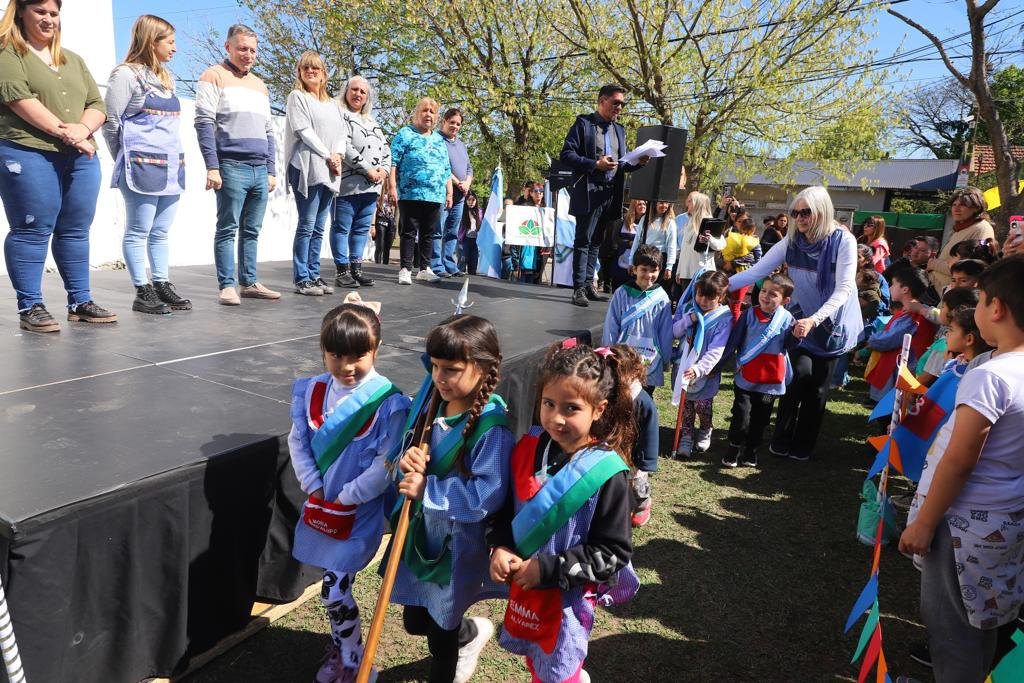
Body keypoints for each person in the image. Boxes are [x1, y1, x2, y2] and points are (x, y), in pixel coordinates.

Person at [899, 255, 1024, 683]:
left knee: (950, 627)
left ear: (996, 309)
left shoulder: (993, 375)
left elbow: (960, 458)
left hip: (961, 529)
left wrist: (922, 523)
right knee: (982, 623)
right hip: (1006, 525)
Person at [489, 341, 637, 683]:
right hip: (526, 590)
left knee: (556, 669)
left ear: (598, 410)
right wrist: (500, 546)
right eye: (548, 403)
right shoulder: (528, 447)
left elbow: (613, 552)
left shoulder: (608, 473)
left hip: (567, 599)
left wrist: (548, 568)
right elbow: (504, 512)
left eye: (571, 408)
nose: (556, 417)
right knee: (535, 659)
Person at [287, 295, 410, 683]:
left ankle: (355, 659)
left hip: (358, 511)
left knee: (334, 590)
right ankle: (345, 648)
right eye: (336, 355)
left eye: (358, 355)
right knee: (333, 587)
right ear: (323, 352)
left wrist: (347, 496)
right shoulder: (313, 391)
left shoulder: (387, 402)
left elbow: (385, 463)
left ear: (376, 350)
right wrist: (312, 483)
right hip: (323, 506)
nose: (347, 366)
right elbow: (298, 441)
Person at [391, 314, 514, 683]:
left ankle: (453, 653)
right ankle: (472, 634)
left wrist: (426, 489)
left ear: (482, 368)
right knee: (415, 620)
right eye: (435, 367)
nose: (439, 377)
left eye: (451, 369)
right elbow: (407, 457)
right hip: (423, 535)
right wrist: (407, 461)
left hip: (456, 547)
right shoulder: (434, 404)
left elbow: (486, 496)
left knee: (440, 636)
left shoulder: (491, 427)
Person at [0, 0, 117, 332]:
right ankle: (30, 306)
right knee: (31, 228)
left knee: (76, 230)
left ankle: (79, 301)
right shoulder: (7, 51)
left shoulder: (73, 59)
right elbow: (17, 97)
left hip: (81, 156)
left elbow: (97, 103)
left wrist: (82, 130)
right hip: (27, 151)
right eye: (40, 11)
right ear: (20, 12)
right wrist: (68, 133)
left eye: (53, 13)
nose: (48, 19)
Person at [726, 186, 863, 461]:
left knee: (818, 389)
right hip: (801, 319)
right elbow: (758, 271)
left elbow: (845, 288)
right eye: (795, 212)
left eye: (806, 212)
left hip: (831, 322)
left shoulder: (842, 241)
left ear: (822, 212)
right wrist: (718, 287)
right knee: (796, 375)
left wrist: (816, 319)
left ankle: (804, 444)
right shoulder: (791, 241)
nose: (800, 217)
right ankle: (781, 437)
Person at [103, 14, 191, 315]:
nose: (175, 49)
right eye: (170, 42)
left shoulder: (167, 79)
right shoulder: (125, 75)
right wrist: (124, 158)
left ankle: (161, 284)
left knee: (161, 231)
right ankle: (142, 290)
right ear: (151, 41)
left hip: (169, 166)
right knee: (138, 230)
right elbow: (111, 121)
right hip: (140, 165)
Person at [195, 23, 279, 305]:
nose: (248, 54)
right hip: (230, 164)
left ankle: (250, 281)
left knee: (252, 230)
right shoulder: (213, 76)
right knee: (228, 227)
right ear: (228, 47)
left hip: (259, 168)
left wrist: (271, 169)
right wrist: (212, 166)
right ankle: (227, 285)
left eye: (253, 50)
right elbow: (204, 123)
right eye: (242, 48)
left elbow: (269, 131)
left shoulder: (260, 85)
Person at [560, 84, 646, 308]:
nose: (619, 107)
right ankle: (578, 287)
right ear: (601, 101)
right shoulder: (584, 124)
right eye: (616, 102)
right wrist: (594, 164)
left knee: (597, 241)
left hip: (610, 194)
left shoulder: (619, 130)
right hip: (588, 192)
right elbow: (567, 154)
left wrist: (638, 163)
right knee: (583, 240)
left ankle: (589, 284)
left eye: (622, 104)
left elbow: (621, 166)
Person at [284, 50, 345, 297]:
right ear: (300, 72)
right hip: (308, 166)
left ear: (324, 74)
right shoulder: (297, 97)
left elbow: (341, 133)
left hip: (329, 170)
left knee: (320, 226)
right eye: (305, 68)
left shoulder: (333, 104)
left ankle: (314, 273)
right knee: (307, 224)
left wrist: (338, 154)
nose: (310, 72)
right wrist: (327, 154)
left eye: (315, 68)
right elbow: (303, 130)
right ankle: (302, 277)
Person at [721, 273, 796, 468]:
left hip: (770, 382)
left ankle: (751, 450)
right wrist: (719, 364)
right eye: (763, 291)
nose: (766, 296)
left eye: (773, 294)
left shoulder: (788, 319)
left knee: (761, 418)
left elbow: (789, 345)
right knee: (741, 414)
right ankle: (734, 445)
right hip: (746, 376)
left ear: (785, 300)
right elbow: (734, 340)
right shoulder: (749, 314)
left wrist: (797, 336)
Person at [332, 75, 390, 289]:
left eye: (362, 91)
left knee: (361, 229)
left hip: (371, 188)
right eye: (354, 89)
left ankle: (356, 270)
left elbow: (386, 149)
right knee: (342, 228)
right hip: (347, 186)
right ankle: (342, 271)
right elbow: (344, 146)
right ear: (346, 91)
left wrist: (383, 170)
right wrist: (367, 170)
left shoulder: (372, 121)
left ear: (367, 97)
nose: (358, 94)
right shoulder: (340, 115)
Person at [388, 97, 453, 286]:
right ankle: (405, 269)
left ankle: (425, 268)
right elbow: (393, 162)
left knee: (428, 233)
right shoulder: (405, 134)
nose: (428, 115)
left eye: (432, 112)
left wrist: (449, 192)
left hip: (434, 195)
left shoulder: (440, 140)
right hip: (410, 193)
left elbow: (446, 168)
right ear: (418, 113)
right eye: (425, 111)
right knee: (408, 231)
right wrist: (392, 186)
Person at [672, 271, 733, 457]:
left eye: (710, 298)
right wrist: (687, 320)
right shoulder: (689, 309)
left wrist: (700, 368)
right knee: (687, 406)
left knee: (702, 405)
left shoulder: (723, 318)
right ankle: (686, 435)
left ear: (721, 298)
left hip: (704, 370)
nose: (703, 301)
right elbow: (674, 332)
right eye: (700, 295)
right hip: (683, 366)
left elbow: (716, 350)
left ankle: (706, 428)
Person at [602, 244, 674, 392]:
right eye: (644, 270)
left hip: (650, 358)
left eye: (654, 270)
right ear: (634, 269)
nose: (648, 275)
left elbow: (665, 331)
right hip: (622, 356)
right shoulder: (621, 293)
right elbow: (611, 325)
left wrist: (665, 358)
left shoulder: (662, 298)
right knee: (621, 396)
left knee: (645, 397)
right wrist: (609, 353)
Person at [865, 267, 937, 401]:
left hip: (899, 370)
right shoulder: (914, 310)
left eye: (893, 284)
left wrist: (870, 339)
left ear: (905, 289)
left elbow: (888, 339)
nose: (890, 288)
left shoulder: (912, 315)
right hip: (900, 367)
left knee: (893, 408)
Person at [610, 343, 659, 527]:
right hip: (612, 448)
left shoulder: (642, 401)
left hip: (634, 452)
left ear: (632, 372)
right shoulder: (608, 393)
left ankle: (642, 505)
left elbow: (650, 433)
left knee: (637, 485)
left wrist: (645, 461)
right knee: (613, 483)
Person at [926, 187, 994, 292]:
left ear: (976, 207)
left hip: (952, 294)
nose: (956, 209)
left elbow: (972, 269)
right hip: (936, 287)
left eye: (962, 205)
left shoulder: (981, 229)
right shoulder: (961, 227)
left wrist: (934, 264)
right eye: (954, 205)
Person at [433, 107, 472, 278]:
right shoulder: (436, 140)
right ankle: (436, 264)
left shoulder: (462, 145)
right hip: (442, 193)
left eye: (458, 124)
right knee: (438, 229)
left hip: (460, 196)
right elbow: (440, 165)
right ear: (444, 121)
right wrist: (457, 182)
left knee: (452, 232)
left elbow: (469, 168)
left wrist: (467, 182)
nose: (455, 126)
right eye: (452, 123)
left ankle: (449, 263)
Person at [674, 191, 723, 293]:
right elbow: (684, 248)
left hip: (702, 273)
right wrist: (679, 271)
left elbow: (721, 244)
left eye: (690, 201)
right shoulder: (689, 222)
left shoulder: (709, 221)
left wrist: (709, 239)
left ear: (698, 203)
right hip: (686, 273)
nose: (687, 203)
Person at [628, 200, 677, 288]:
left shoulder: (670, 222)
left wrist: (669, 267)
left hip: (660, 258)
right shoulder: (645, 219)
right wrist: (631, 261)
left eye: (666, 203)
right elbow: (637, 240)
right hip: (645, 256)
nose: (664, 206)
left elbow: (671, 246)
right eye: (661, 203)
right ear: (655, 204)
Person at [721, 216, 762, 321]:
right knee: (734, 305)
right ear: (753, 230)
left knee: (733, 305)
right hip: (743, 277)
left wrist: (732, 263)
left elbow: (723, 255)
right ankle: (733, 328)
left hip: (731, 275)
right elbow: (757, 260)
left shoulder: (731, 239)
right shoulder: (754, 243)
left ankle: (735, 329)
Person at [459, 190, 481, 275]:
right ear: (465, 201)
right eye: (469, 200)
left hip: (475, 241)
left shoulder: (479, 212)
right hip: (465, 240)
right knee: (462, 262)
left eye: (473, 200)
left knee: (473, 264)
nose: (471, 202)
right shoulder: (462, 211)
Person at [372, 198, 396, 265]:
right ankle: (378, 265)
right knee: (380, 246)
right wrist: (373, 225)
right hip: (381, 221)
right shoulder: (379, 196)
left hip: (391, 222)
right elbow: (373, 211)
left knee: (387, 247)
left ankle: (385, 265)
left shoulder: (393, 195)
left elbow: (396, 206)